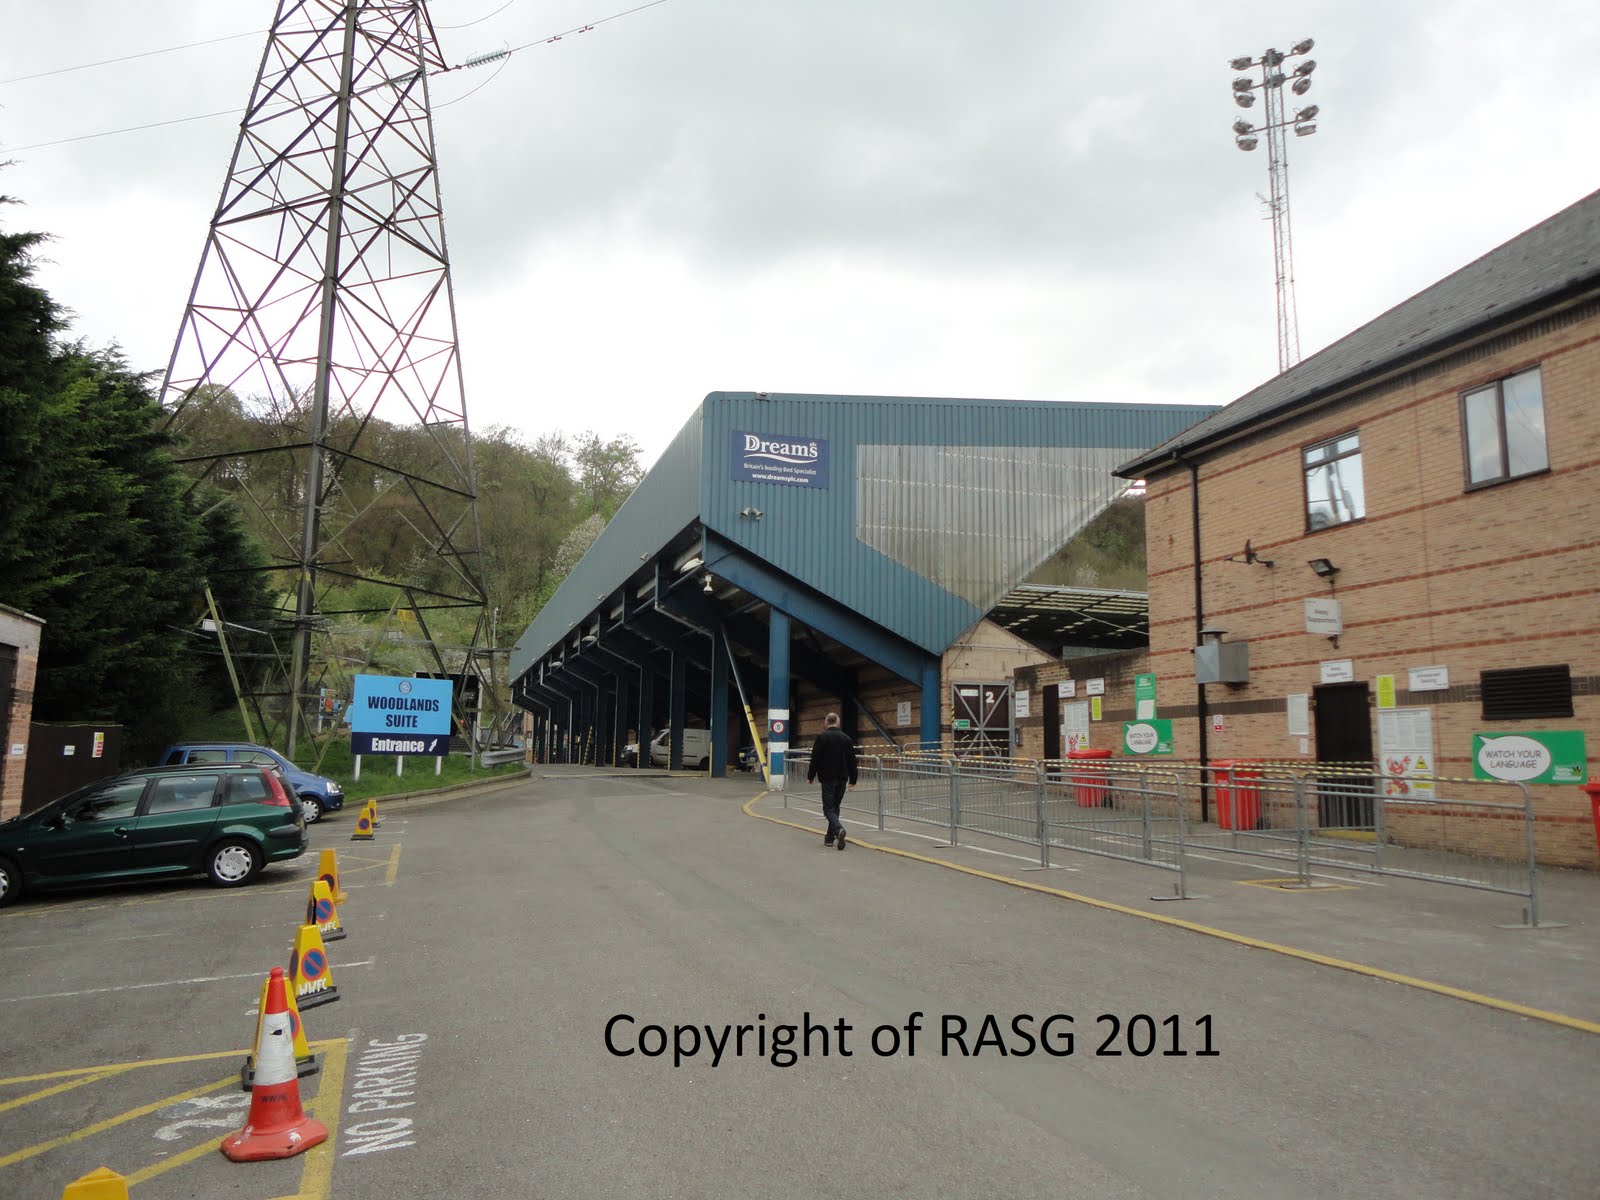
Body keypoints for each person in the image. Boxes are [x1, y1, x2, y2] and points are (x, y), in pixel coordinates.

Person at [805, 712, 857, 850]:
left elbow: (815, 758)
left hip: (827, 778)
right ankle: (829, 838)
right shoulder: (846, 739)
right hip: (842, 778)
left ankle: (839, 829)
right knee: (835, 807)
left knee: (828, 808)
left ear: (826, 722)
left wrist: (810, 776)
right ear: (838, 723)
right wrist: (853, 780)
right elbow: (852, 761)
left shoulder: (822, 737)